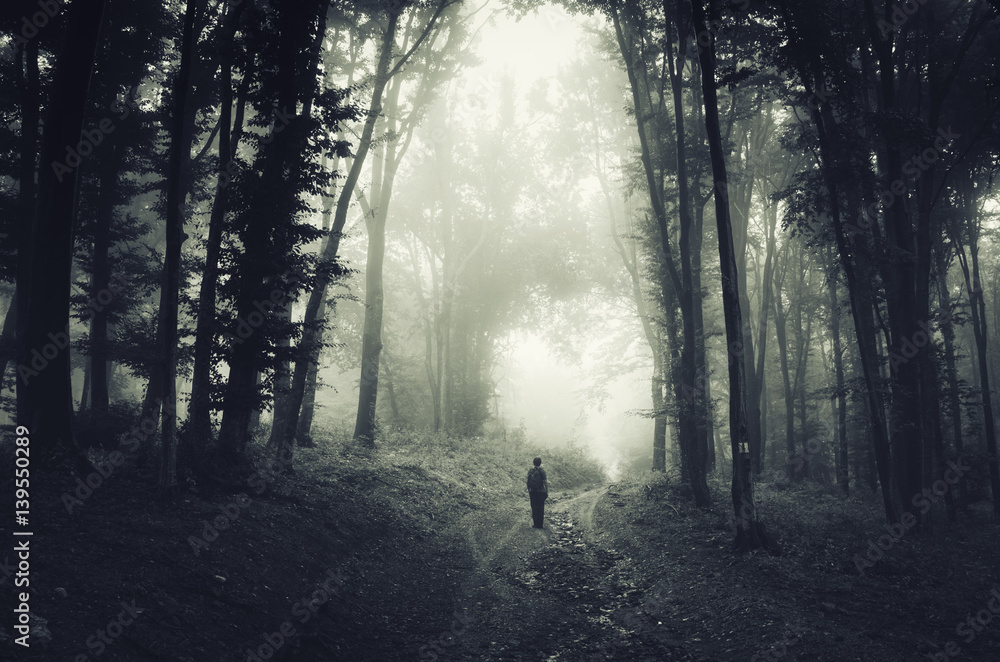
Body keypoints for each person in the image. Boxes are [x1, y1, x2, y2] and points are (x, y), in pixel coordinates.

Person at [526, 457, 548, 528]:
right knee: (541, 507)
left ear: (533, 463)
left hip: (532, 491)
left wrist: (529, 489)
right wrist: (546, 491)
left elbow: (527, 480)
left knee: (534, 507)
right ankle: (540, 524)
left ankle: (535, 524)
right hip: (541, 491)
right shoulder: (542, 471)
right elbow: (545, 482)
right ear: (540, 463)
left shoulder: (530, 470)